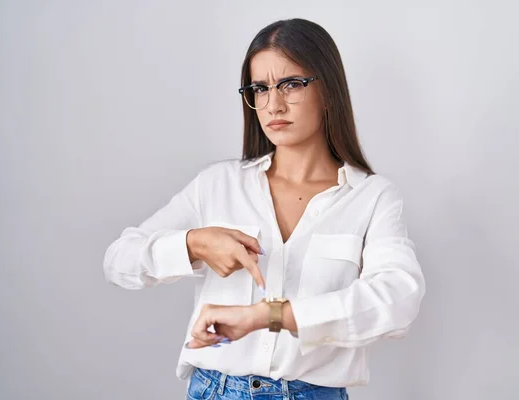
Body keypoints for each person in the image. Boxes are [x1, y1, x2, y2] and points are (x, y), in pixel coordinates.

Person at [103, 18, 425, 400]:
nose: (273, 104)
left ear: (328, 89)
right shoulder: (217, 184)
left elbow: (398, 298)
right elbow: (118, 261)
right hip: (214, 390)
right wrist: (193, 244)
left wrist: (269, 315)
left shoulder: (372, 198)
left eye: (291, 84)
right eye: (259, 88)